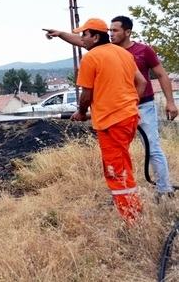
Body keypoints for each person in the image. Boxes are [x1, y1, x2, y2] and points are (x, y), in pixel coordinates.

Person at [46, 16, 178, 199]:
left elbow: (161, 75)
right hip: (122, 111)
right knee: (121, 155)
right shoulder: (111, 51)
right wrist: (60, 34)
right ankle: (125, 195)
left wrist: (169, 102)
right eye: (110, 30)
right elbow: (83, 41)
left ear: (127, 32)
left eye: (115, 30)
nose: (111, 33)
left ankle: (163, 190)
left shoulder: (141, 51)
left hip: (141, 105)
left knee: (151, 148)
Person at [62, 18, 147, 223]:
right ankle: (134, 209)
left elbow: (86, 95)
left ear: (96, 37)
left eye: (85, 35)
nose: (82, 39)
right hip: (128, 118)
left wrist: (82, 112)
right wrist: (130, 106)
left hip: (112, 123)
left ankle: (132, 221)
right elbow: (142, 82)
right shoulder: (124, 54)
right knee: (122, 165)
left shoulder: (91, 58)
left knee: (115, 171)